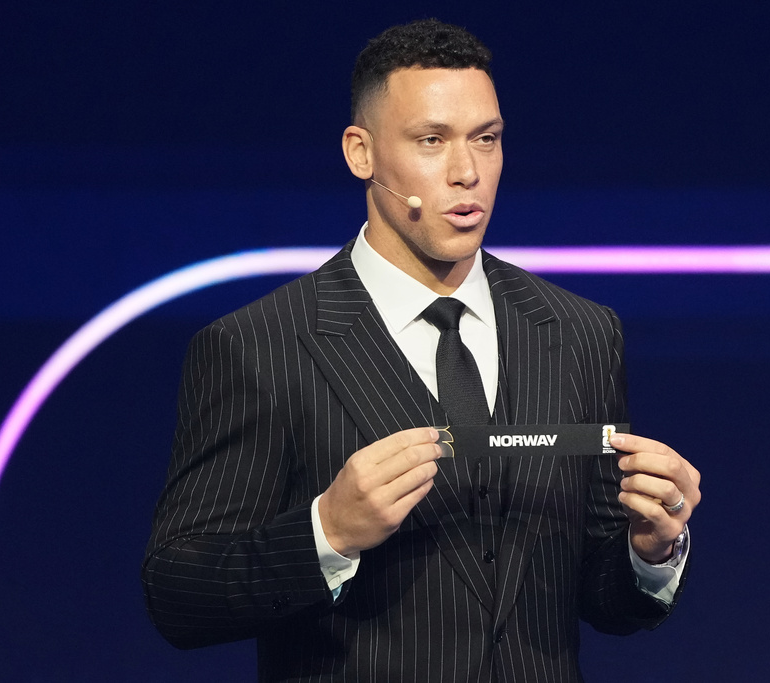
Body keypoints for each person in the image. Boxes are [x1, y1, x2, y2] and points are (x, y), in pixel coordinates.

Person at [142, 18, 701, 683]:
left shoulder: (580, 333)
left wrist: (649, 549)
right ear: (361, 152)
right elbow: (178, 593)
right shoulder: (258, 346)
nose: (467, 173)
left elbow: (601, 599)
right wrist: (329, 531)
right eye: (431, 141)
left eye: (486, 140)